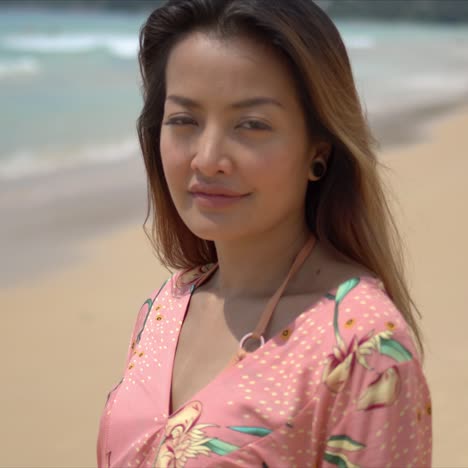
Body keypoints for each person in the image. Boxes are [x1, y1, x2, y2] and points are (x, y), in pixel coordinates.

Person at [96, 0, 432, 466]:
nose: (208, 158)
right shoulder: (166, 306)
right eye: (184, 121)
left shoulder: (362, 346)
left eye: (252, 125)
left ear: (319, 151)